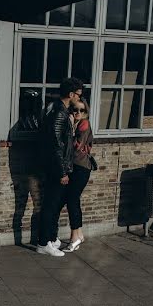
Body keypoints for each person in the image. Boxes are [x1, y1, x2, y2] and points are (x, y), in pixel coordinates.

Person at [36, 77, 82, 257]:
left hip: (56, 166)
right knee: (50, 205)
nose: (79, 99)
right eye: (78, 96)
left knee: (54, 205)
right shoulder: (59, 113)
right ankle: (43, 243)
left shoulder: (59, 110)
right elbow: (56, 145)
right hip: (55, 168)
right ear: (71, 95)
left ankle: (51, 238)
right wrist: (62, 171)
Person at [62, 97, 94, 252]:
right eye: (75, 109)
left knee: (72, 200)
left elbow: (76, 146)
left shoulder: (83, 124)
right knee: (72, 200)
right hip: (76, 167)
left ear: (86, 112)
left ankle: (75, 237)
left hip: (81, 168)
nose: (78, 113)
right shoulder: (76, 124)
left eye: (82, 110)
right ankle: (78, 234)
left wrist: (70, 131)